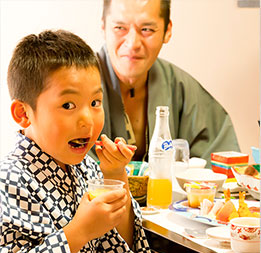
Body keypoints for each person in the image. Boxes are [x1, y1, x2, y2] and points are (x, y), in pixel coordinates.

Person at [0, 30, 152, 253]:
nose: (88, 121)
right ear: (23, 113)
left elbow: (124, 251)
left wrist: (115, 174)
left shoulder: (90, 170)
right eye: (68, 105)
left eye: (95, 102)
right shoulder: (8, 179)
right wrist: (80, 231)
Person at [88, 0, 240, 167]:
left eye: (146, 29)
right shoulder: (76, 85)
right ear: (103, 27)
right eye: (120, 28)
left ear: (167, 30)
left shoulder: (181, 88)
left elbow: (224, 165)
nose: (132, 43)